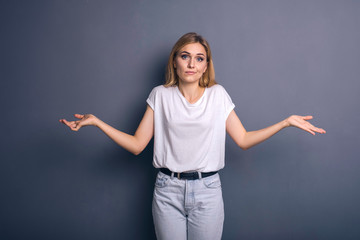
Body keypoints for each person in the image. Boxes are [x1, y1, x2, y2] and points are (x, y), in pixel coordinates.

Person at [59, 32, 326, 240]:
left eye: (199, 58)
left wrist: (285, 123)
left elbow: (243, 139)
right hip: (167, 191)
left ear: (206, 65)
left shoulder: (218, 95)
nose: (191, 63)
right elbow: (138, 145)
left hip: (208, 191)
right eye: (185, 56)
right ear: (175, 61)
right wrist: (97, 122)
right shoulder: (160, 95)